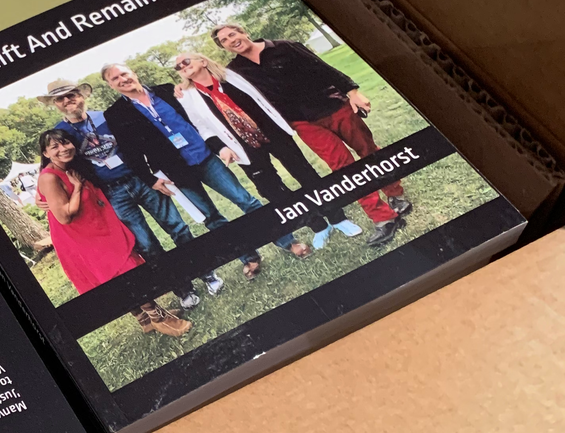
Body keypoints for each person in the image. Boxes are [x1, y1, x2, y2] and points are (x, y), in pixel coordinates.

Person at [212, 23, 409, 247]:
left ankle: (395, 194)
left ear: (244, 32)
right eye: (224, 40)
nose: (231, 40)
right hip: (302, 122)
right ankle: (384, 218)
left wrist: (352, 91)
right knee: (343, 168)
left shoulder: (284, 47)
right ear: (224, 47)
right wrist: (184, 88)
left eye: (232, 34)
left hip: (334, 106)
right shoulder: (235, 72)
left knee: (368, 150)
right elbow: (209, 84)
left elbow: (323, 68)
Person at [101, 63, 303, 280]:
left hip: (204, 156)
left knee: (245, 200)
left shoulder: (167, 90)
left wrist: (219, 145)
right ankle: (249, 257)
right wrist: (150, 179)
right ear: (110, 85)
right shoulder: (115, 114)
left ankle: (286, 241)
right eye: (115, 79)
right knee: (212, 219)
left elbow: (198, 116)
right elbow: (129, 151)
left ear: (133, 73)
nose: (122, 79)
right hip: (175, 173)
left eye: (124, 73)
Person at [39, 76, 224, 307]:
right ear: (55, 104)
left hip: (142, 180)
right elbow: (52, 163)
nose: (68, 101)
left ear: (82, 95)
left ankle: (206, 273)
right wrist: (41, 194)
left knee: (178, 228)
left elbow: (140, 142)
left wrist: (152, 175)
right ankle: (182, 288)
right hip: (112, 193)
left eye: (71, 95)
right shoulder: (61, 134)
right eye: (60, 99)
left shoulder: (107, 117)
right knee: (147, 245)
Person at [171, 51, 362, 250]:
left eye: (186, 61)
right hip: (242, 146)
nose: (182, 67)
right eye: (178, 67)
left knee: (304, 173)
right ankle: (318, 225)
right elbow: (202, 127)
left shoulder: (232, 75)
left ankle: (337, 218)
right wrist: (221, 148)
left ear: (203, 61)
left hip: (272, 132)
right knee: (271, 189)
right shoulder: (187, 97)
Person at [36, 131, 192, 338]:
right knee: (127, 271)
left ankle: (145, 321)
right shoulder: (49, 177)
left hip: (99, 227)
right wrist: (78, 187)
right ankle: (159, 319)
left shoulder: (70, 166)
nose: (63, 149)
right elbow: (64, 216)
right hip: (83, 237)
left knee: (118, 274)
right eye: (54, 147)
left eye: (65, 143)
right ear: (45, 153)